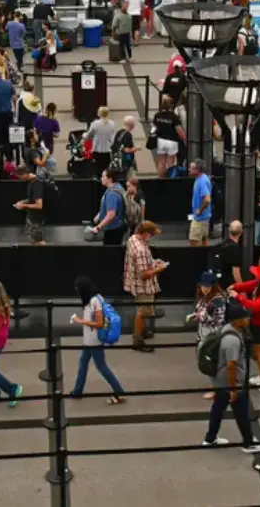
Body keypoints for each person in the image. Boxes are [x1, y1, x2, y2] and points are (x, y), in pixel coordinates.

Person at [201, 299, 260, 452]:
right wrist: (233, 389)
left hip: (219, 380)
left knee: (218, 408)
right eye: (245, 318)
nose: (248, 319)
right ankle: (249, 443)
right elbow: (231, 365)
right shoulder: (232, 340)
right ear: (237, 321)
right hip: (229, 382)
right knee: (241, 412)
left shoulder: (227, 329)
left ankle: (210, 439)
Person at [70, 275, 126, 404]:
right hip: (89, 340)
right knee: (83, 364)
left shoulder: (95, 301)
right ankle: (77, 391)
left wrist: (81, 321)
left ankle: (120, 392)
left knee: (101, 367)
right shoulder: (95, 298)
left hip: (94, 341)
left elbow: (100, 323)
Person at [230, 263, 260, 387]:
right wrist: (235, 287)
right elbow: (248, 285)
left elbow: (254, 306)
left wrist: (237, 296)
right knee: (259, 353)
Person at [123, 222, 166, 352]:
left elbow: (141, 263)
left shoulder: (133, 239)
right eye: (151, 235)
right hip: (143, 287)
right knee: (142, 312)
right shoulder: (141, 249)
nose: (151, 237)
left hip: (134, 283)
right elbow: (144, 274)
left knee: (142, 311)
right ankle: (138, 341)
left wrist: (153, 262)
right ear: (146, 234)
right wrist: (159, 269)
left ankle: (141, 332)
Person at [90, 168, 127, 245]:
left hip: (113, 229)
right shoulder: (118, 186)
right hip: (119, 226)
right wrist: (99, 215)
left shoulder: (111, 194)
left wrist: (98, 227)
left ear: (109, 179)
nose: (101, 178)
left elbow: (111, 215)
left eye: (103, 177)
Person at [14, 165, 45, 245]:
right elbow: (32, 199)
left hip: (36, 219)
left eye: (20, 176)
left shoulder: (36, 185)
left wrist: (23, 206)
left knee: (38, 242)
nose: (20, 179)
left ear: (25, 174)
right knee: (33, 240)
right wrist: (23, 202)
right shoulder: (31, 183)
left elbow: (39, 205)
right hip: (32, 217)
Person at [84, 106, 116, 178]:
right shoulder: (112, 123)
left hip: (97, 151)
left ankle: (99, 185)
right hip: (108, 151)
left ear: (99, 114)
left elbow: (88, 136)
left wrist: (84, 135)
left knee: (98, 171)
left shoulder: (95, 124)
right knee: (106, 171)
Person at [189, 160, 213, 246]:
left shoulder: (202, 181)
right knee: (204, 239)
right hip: (204, 217)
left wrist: (200, 210)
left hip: (200, 218)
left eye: (191, 168)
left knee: (193, 241)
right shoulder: (201, 178)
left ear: (197, 170)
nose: (189, 170)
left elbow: (207, 199)